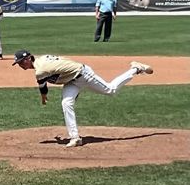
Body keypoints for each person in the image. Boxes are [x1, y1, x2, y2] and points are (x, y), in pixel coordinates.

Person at [12, 50, 154, 147]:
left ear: (27, 59)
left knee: (111, 90)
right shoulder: (42, 59)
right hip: (71, 80)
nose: (19, 65)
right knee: (66, 103)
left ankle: (135, 69)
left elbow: (43, 86)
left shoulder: (41, 70)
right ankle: (75, 138)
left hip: (83, 75)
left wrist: (43, 97)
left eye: (20, 62)